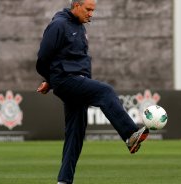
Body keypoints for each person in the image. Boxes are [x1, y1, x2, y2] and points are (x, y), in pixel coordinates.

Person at [36, 0, 149, 183]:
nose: (91, 14)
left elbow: (68, 58)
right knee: (105, 91)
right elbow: (43, 58)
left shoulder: (79, 26)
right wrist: (50, 79)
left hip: (78, 82)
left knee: (75, 134)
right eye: (88, 9)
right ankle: (130, 135)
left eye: (93, 10)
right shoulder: (58, 25)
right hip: (66, 81)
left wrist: (50, 80)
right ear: (76, 6)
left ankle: (64, 180)